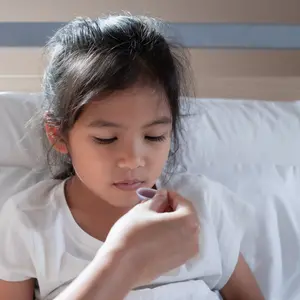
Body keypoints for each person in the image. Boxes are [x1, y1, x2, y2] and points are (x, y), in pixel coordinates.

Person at [0, 15, 264, 300]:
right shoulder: (29, 221)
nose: (133, 160)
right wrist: (123, 260)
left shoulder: (203, 206)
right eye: (106, 139)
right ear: (59, 135)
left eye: (154, 136)